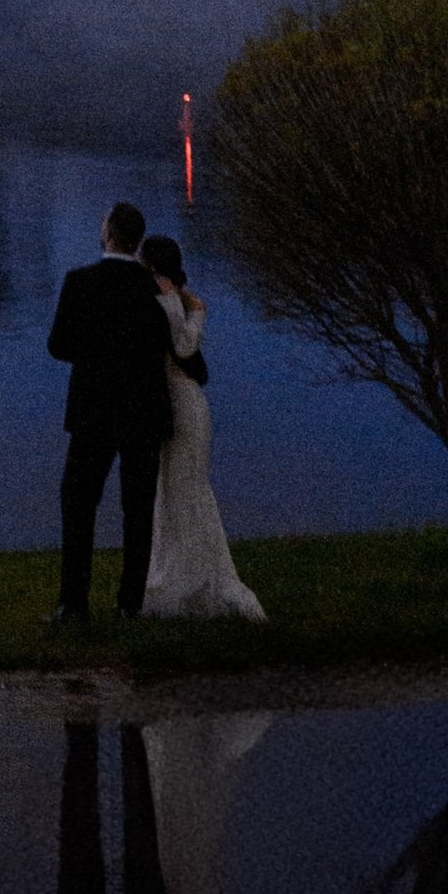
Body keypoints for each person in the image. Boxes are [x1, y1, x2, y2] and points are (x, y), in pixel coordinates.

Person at [44, 199, 172, 623]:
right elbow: (162, 345)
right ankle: (129, 604)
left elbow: (59, 345)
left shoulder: (80, 282)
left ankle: (73, 603)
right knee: (138, 509)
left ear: (110, 235)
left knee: (78, 502)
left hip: (94, 411)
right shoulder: (153, 288)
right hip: (143, 411)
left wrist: (96, 353)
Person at [139, 233, 266, 622]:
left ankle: (194, 589)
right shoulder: (165, 299)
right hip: (176, 404)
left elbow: (184, 347)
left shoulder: (171, 301)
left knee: (187, 493)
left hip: (186, 409)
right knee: (175, 496)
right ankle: (176, 586)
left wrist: (193, 314)